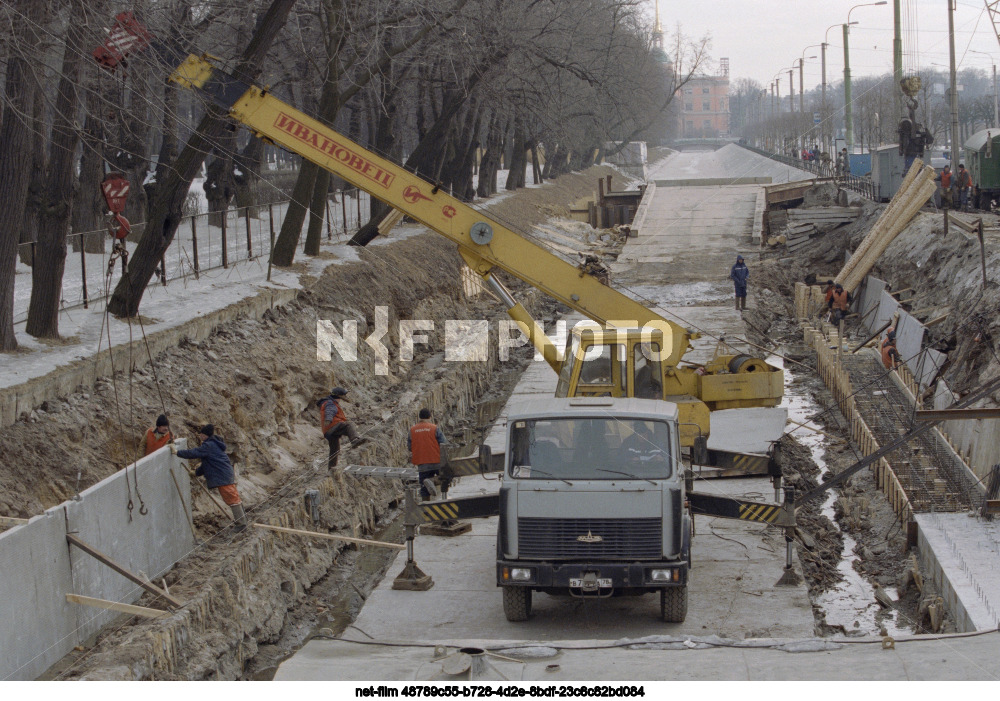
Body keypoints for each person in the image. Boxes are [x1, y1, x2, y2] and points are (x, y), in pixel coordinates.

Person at [173, 424, 247, 532]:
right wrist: (196, 473)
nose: (200, 436)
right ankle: (242, 521)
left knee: (232, 498)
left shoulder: (208, 446)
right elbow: (206, 463)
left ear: (205, 435)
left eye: (201, 434)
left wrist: (177, 452)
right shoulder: (213, 444)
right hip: (225, 473)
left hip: (222, 475)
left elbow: (194, 453)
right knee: (234, 497)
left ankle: (241, 524)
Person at [318, 387, 366, 468]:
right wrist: (328, 419)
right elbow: (330, 411)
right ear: (339, 396)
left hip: (327, 430)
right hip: (332, 426)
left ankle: (331, 468)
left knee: (335, 449)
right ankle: (354, 441)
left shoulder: (328, 402)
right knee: (349, 425)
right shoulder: (330, 403)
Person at [408, 408, 446, 500]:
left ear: (419, 417)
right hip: (436, 460)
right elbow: (444, 444)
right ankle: (434, 483)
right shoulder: (434, 428)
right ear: (429, 417)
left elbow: (410, 447)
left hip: (422, 463)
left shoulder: (412, 430)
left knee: (424, 488)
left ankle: (426, 509)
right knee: (446, 478)